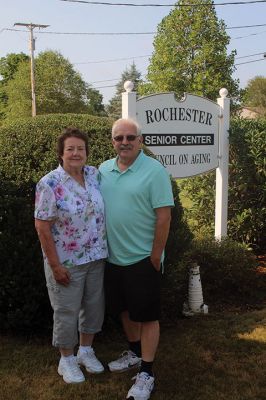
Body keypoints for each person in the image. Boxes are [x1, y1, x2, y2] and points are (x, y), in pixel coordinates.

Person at [99, 118, 174, 400]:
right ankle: (133, 353)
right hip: (113, 259)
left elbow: (164, 217)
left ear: (140, 141)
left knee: (148, 316)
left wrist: (155, 256)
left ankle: (146, 372)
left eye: (131, 137)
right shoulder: (104, 170)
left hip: (143, 259)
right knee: (125, 311)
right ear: (113, 142)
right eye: (119, 138)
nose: (125, 142)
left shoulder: (154, 171)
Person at [34, 127, 108, 384]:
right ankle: (66, 359)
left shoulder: (94, 174)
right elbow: (42, 226)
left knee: (93, 307)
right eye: (70, 149)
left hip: (96, 256)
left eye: (80, 149)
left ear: (86, 153)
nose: (76, 153)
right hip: (66, 261)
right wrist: (55, 265)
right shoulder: (49, 183)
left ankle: (86, 350)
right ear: (61, 153)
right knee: (66, 311)